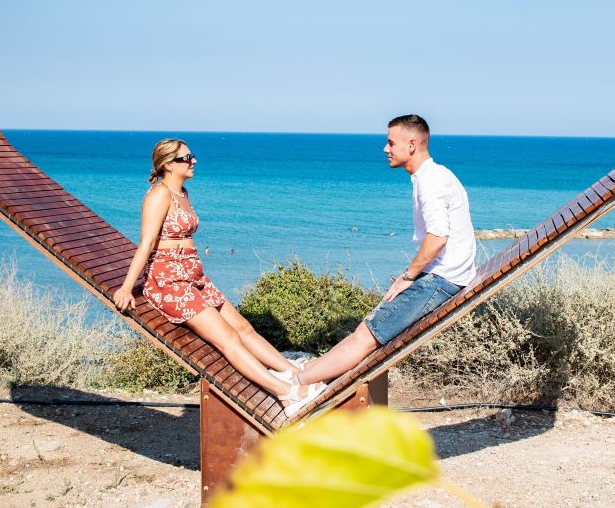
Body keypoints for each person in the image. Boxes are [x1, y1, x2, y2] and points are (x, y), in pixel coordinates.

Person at [113, 138, 323, 416]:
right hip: (169, 282)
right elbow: (147, 242)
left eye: (191, 156)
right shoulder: (158, 195)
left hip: (193, 276)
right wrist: (127, 287)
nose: (193, 161)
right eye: (185, 158)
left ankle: (295, 375)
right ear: (167, 165)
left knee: (244, 328)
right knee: (228, 338)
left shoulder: (182, 193)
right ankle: (285, 394)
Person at [298, 114, 476, 386]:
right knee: (365, 329)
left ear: (412, 144)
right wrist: (414, 276)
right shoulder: (432, 176)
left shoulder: (431, 181)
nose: (385, 149)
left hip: (442, 281)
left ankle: (295, 384)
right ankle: (310, 370)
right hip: (441, 275)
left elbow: (438, 236)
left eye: (391, 143)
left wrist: (408, 277)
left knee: (366, 337)